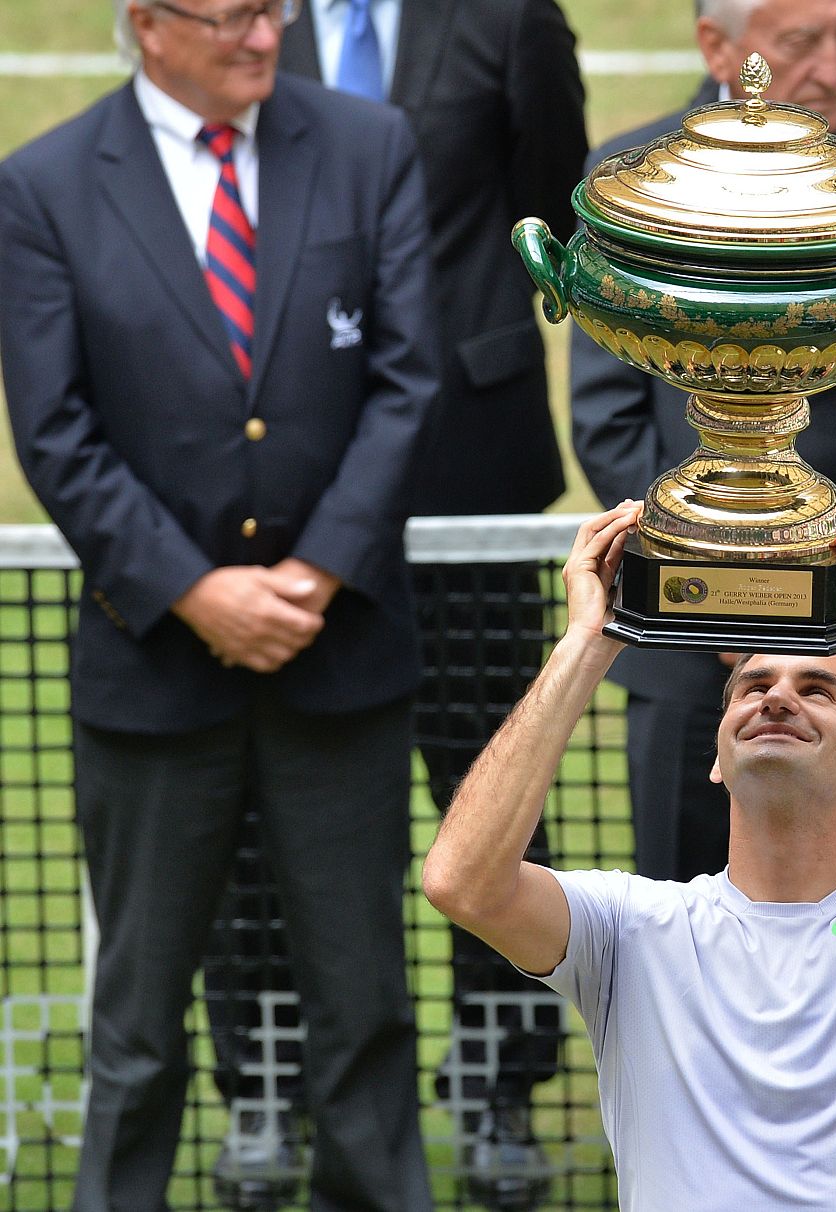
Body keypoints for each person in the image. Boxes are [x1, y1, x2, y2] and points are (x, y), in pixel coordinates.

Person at [0, 0, 438, 1207]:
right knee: (135, 1028)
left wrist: (315, 573)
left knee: (365, 1010)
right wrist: (194, 592)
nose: (266, 35)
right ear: (149, 23)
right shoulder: (43, 187)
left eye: (275, 10)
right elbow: (54, 428)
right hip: (153, 673)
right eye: (238, 14)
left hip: (339, 657)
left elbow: (409, 380)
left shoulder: (368, 146)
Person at [421, 495, 836, 1210]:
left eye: (817, 688)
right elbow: (463, 883)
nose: (777, 697)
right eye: (752, 685)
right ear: (717, 757)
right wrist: (588, 642)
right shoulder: (628, 929)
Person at [195, 3, 589, 1206]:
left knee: (493, 784)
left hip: (468, 466)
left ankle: (498, 1089)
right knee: (266, 793)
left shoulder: (508, 15)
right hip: (287, 474)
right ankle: (267, 1084)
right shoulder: (243, 20)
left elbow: (551, 209)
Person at [570, 0, 836, 890]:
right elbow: (606, 420)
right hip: (685, 659)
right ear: (718, 45)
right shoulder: (626, 178)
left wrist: (830, 587)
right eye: (801, 43)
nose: (832, 68)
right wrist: (710, 571)